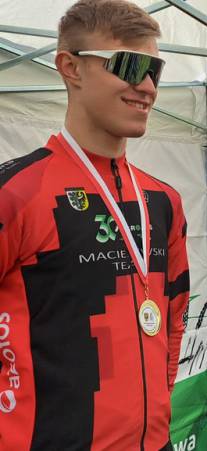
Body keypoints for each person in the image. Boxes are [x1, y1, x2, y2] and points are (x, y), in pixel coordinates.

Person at [0, 1, 190, 449]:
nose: (147, 87)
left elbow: (173, 318)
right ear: (71, 68)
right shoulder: (16, 193)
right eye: (129, 65)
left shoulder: (163, 201)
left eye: (155, 71)